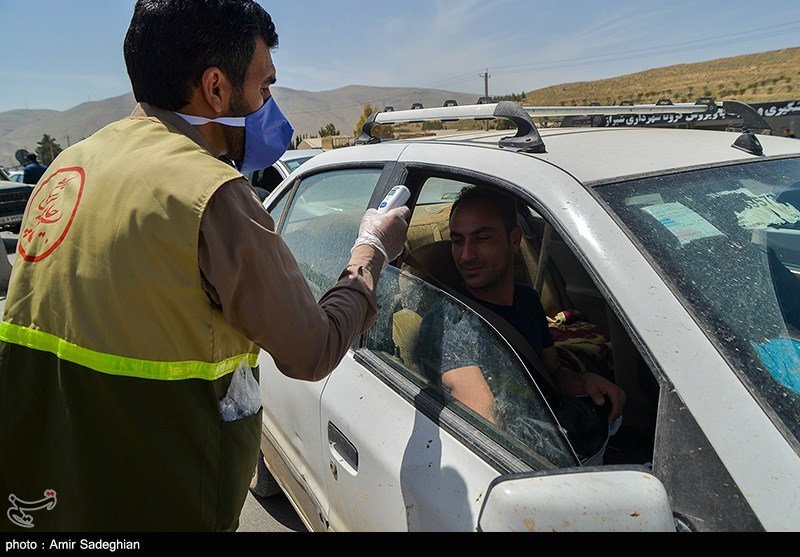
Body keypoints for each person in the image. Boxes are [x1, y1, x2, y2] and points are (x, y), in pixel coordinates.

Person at [0, 0, 409, 533]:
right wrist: (370, 250)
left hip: (40, 502)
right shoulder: (209, 194)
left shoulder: (67, 167)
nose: (270, 107)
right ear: (216, 88)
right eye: (264, 88)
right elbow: (312, 350)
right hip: (157, 500)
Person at [423, 186, 625, 463]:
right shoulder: (448, 321)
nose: (466, 255)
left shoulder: (528, 300)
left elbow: (551, 371)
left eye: (482, 238)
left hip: (553, 432)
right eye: (458, 241)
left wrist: (584, 382)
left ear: (514, 240)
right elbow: (487, 426)